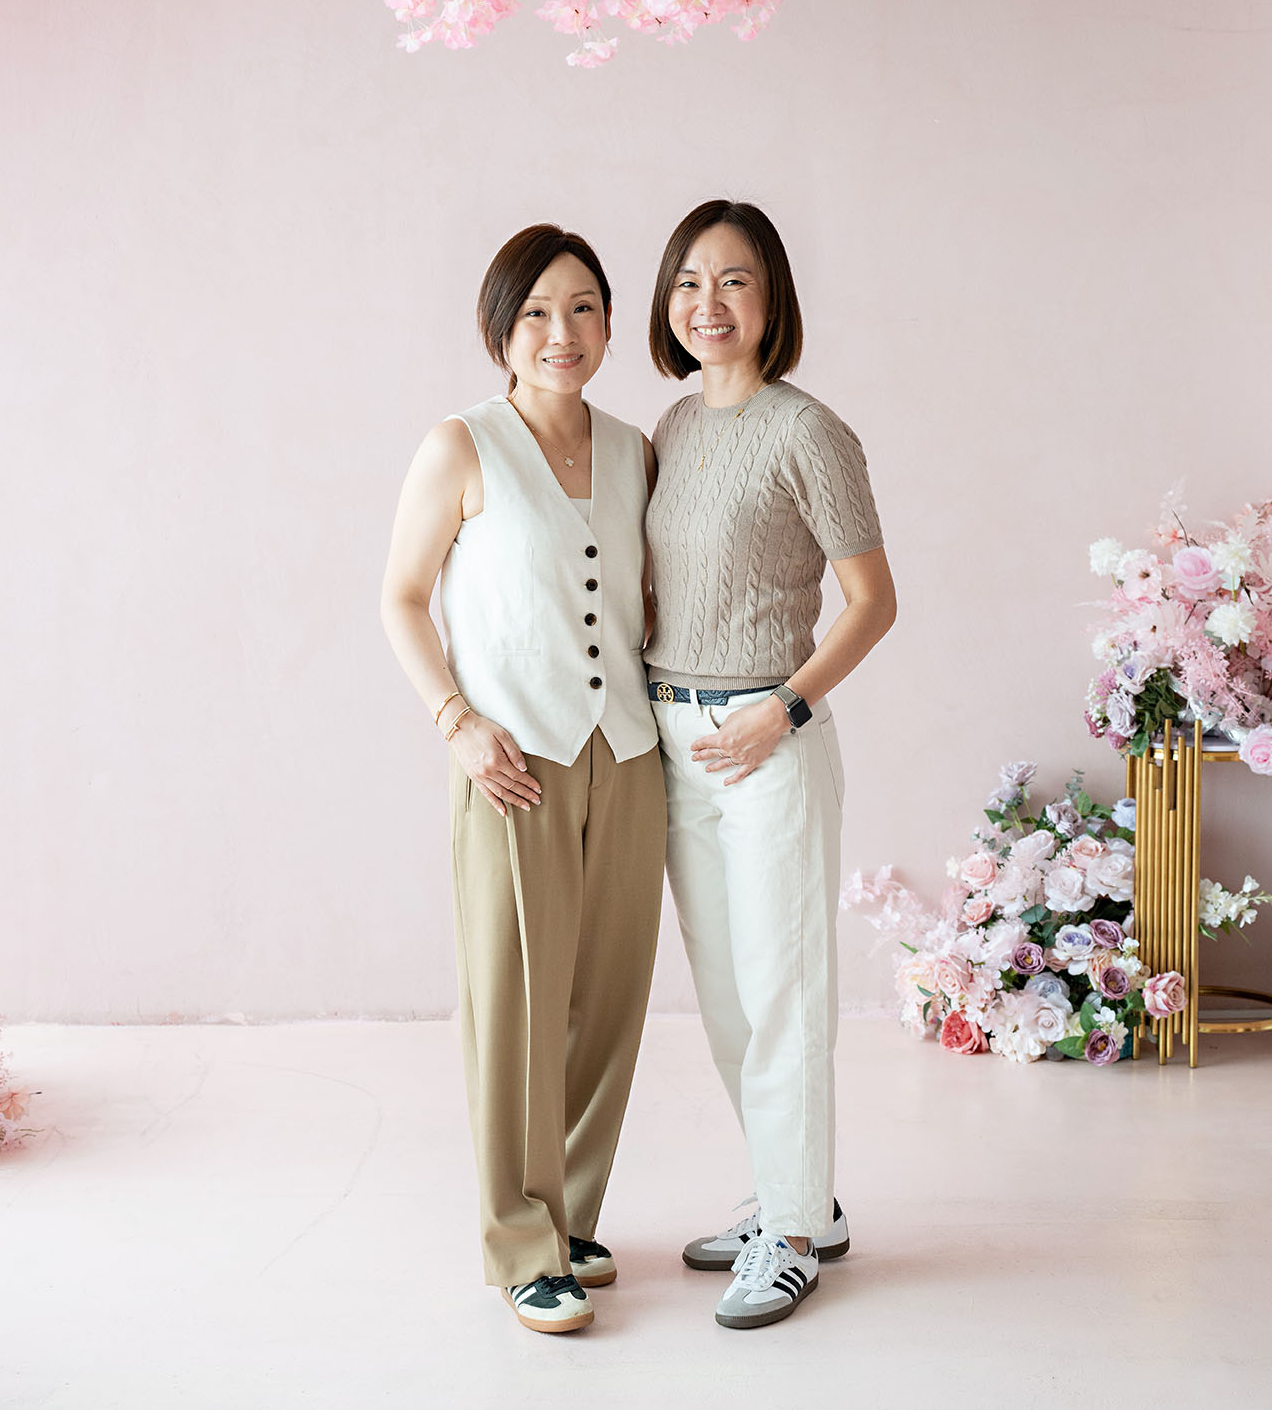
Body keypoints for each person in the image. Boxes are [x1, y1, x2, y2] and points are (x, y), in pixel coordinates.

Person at [380, 225, 665, 1336]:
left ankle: (571, 1216)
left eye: (585, 308)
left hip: (627, 755)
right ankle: (515, 1241)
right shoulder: (462, 445)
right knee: (514, 1001)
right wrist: (456, 722)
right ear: (500, 327)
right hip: (512, 764)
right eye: (538, 311)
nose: (564, 332)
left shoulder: (638, 447)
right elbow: (402, 597)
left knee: (608, 997)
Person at [645, 199, 896, 1331]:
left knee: (784, 991)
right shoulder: (673, 428)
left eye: (733, 282)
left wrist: (782, 709)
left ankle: (790, 1233)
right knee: (727, 1001)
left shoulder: (809, 431)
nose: (709, 305)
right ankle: (798, 1201)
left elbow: (871, 601)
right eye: (689, 283)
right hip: (673, 740)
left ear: (772, 299)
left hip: (768, 743)